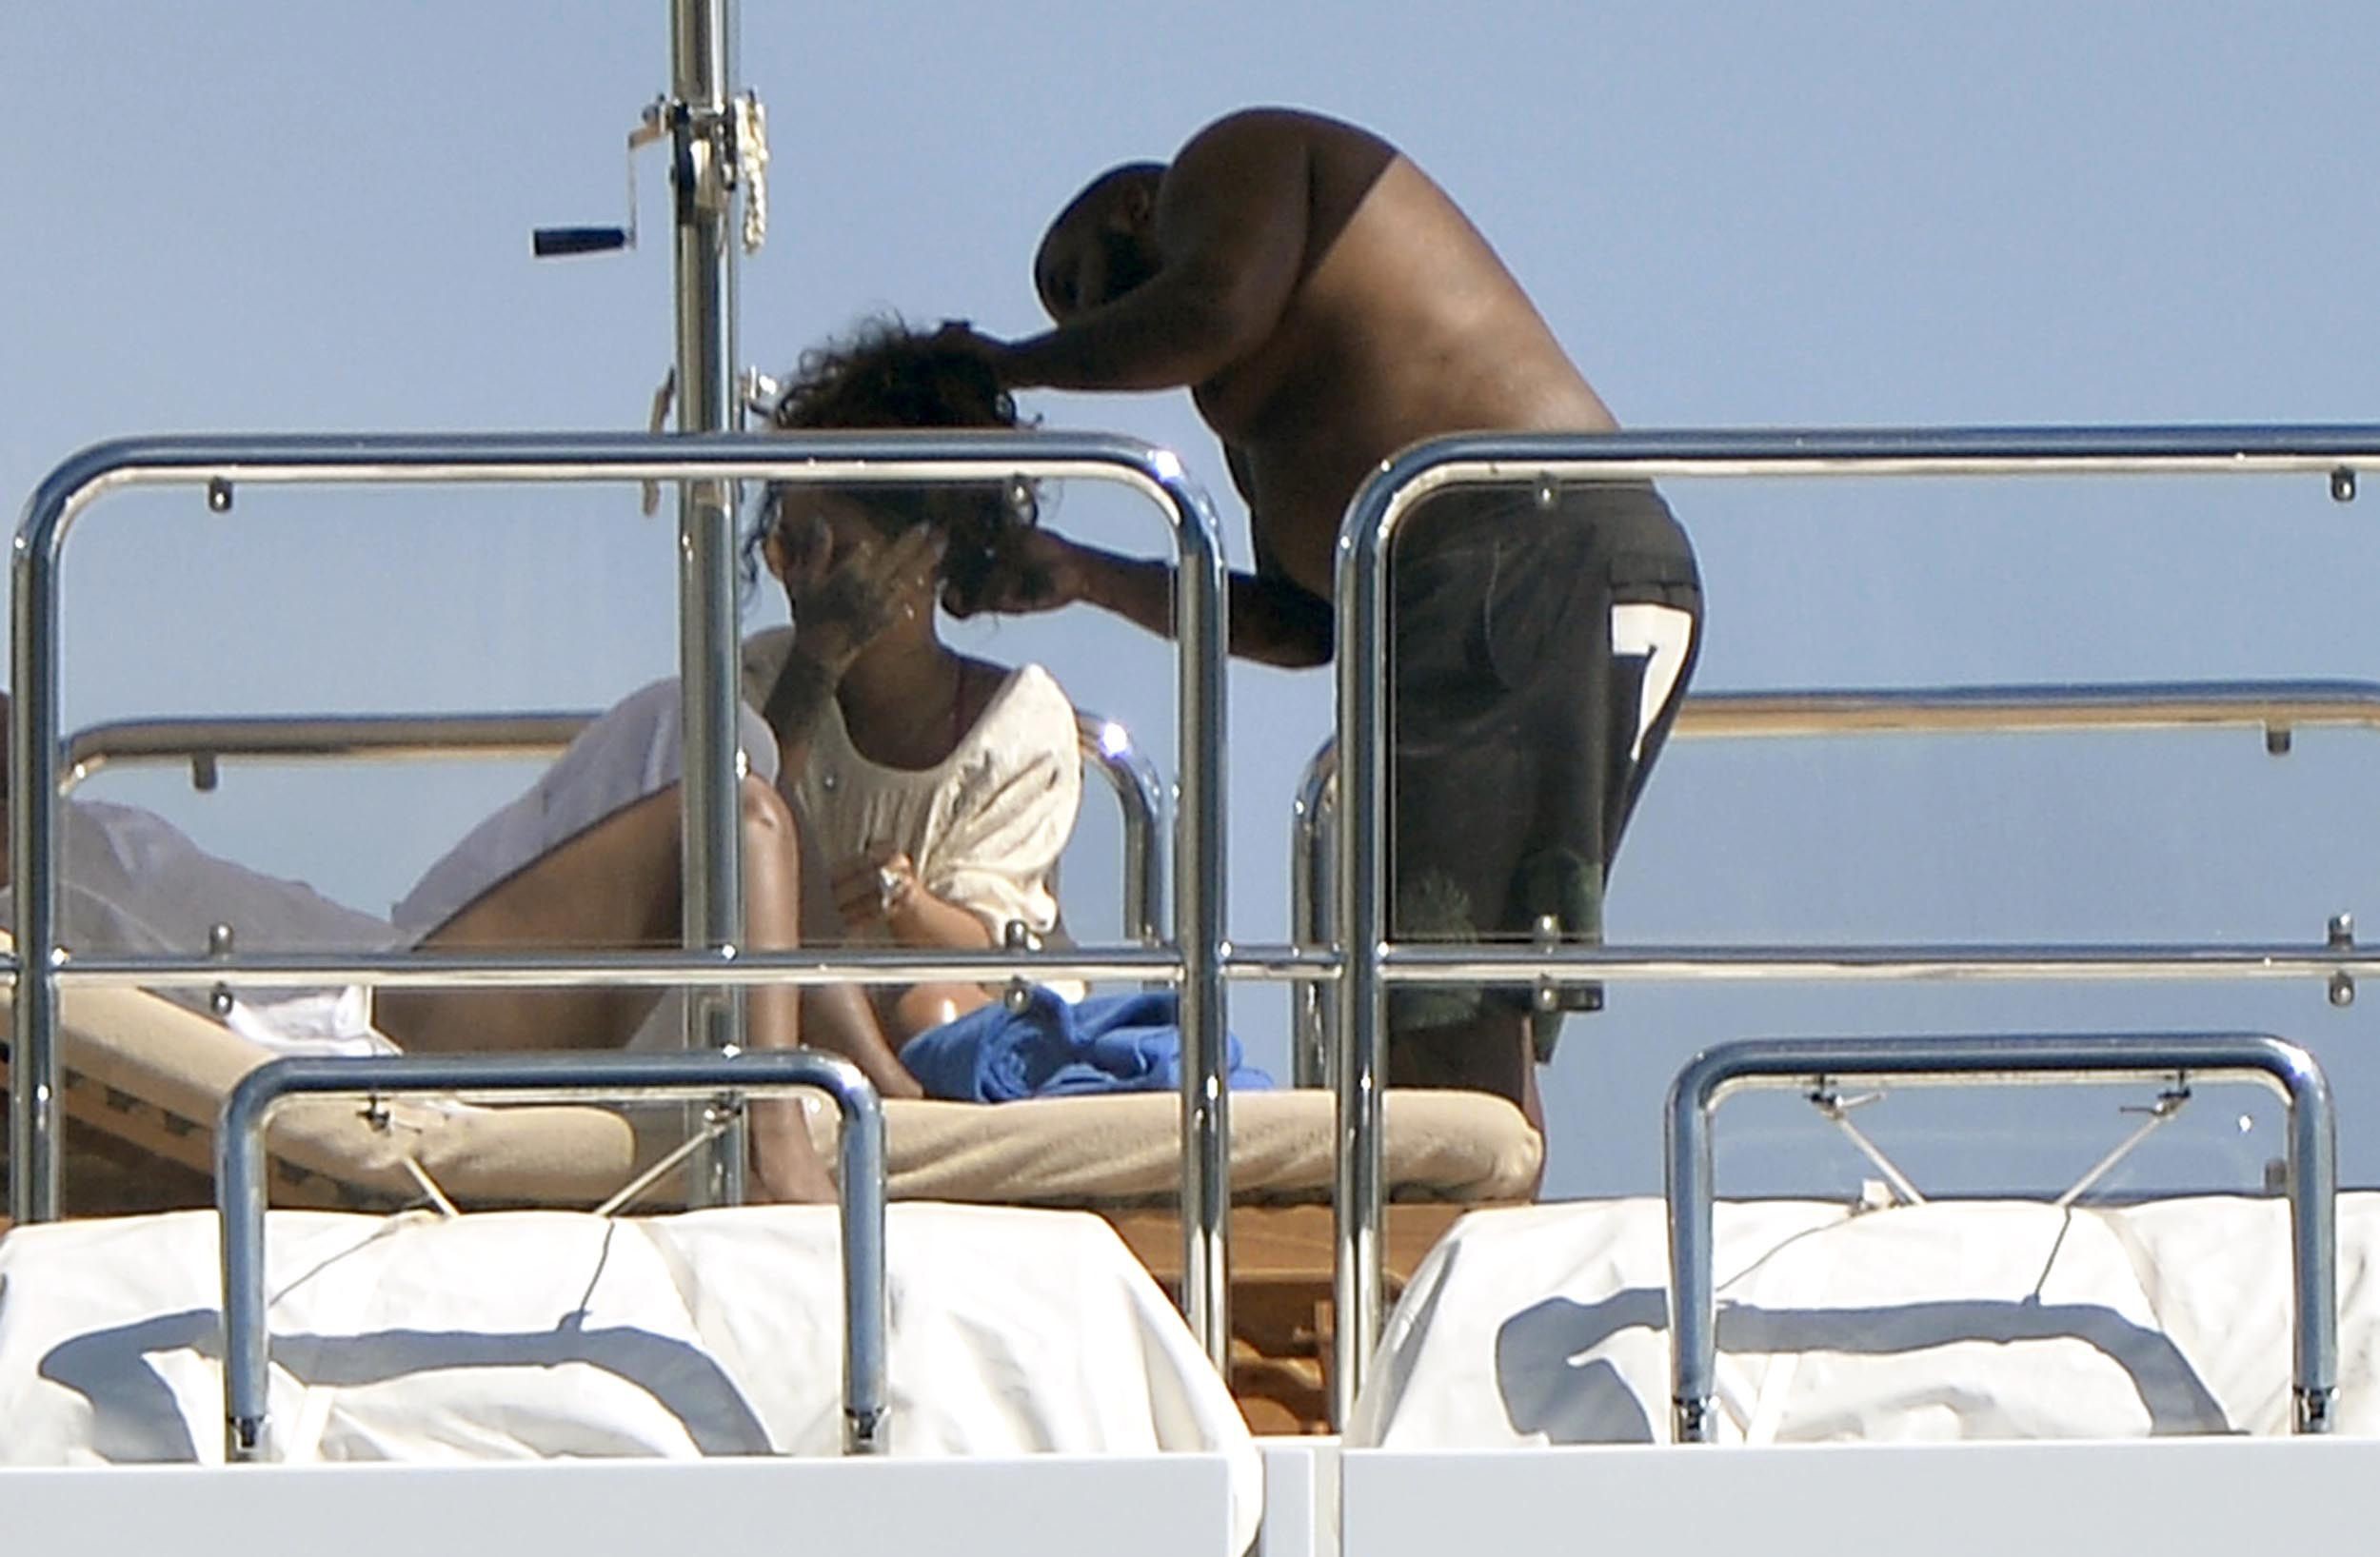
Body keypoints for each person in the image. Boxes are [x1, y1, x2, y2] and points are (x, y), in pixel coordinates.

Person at [941, 107, 1703, 1132]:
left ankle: (1461, 1249)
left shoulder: (1236, 159)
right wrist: (1085, 574)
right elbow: (1306, 626)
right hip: (1488, 583)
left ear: (1135, 209)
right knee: (1428, 973)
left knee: (1439, 976)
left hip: (1527, 543)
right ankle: (1467, 1226)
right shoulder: (1265, 428)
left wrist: (1006, 366)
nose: (1076, 326)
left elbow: (1208, 308)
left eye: (1074, 285)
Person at [386, 324, 1083, 1192]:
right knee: (746, 800)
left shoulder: (1013, 720)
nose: (798, 575)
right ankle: (865, 1106)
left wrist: (902, 898)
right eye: (787, 546)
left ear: (923, 554)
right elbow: (737, 831)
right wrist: (817, 666)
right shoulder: (752, 681)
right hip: (786, 1013)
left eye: (828, 549)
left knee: (930, 1000)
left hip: (948, 1002)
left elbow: (990, 948)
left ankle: (896, 1099)